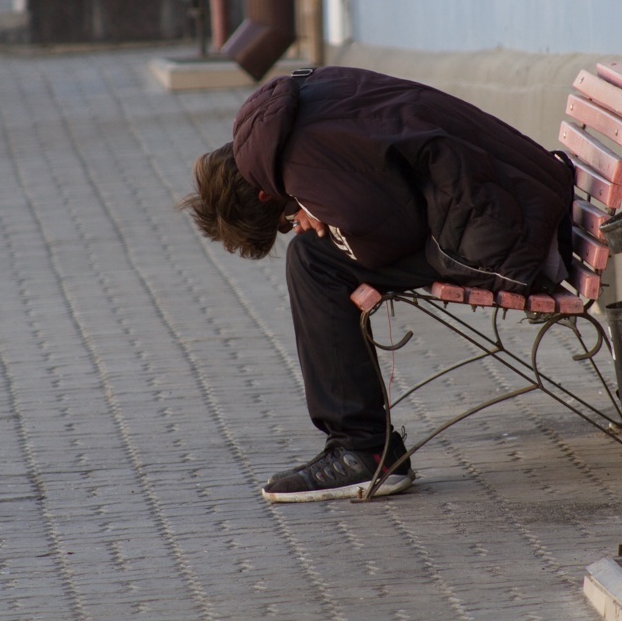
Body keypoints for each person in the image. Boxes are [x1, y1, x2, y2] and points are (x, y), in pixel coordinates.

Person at [179, 66, 575, 502]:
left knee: (313, 263)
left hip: (507, 233)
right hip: (519, 192)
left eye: (287, 218)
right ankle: (361, 445)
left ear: (262, 194)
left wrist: (324, 213)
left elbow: (387, 238)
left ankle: (363, 451)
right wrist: (322, 207)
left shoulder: (299, 165)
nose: (298, 222)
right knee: (313, 255)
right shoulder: (286, 108)